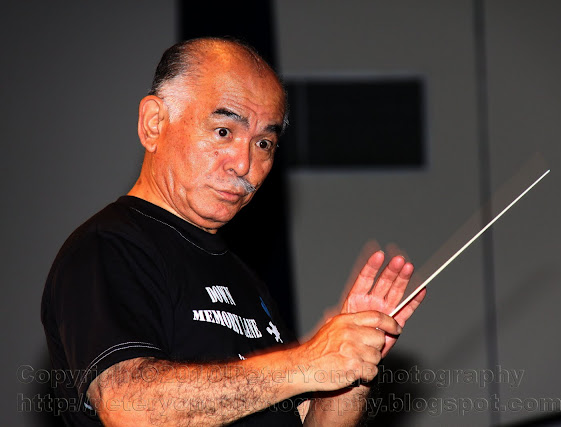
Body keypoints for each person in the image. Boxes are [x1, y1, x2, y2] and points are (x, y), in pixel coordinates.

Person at [41, 37, 426, 426]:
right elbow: (130, 407)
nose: (244, 164)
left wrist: (352, 365)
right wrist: (305, 362)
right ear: (154, 123)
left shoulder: (245, 280)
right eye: (224, 131)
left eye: (264, 143)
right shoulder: (110, 245)